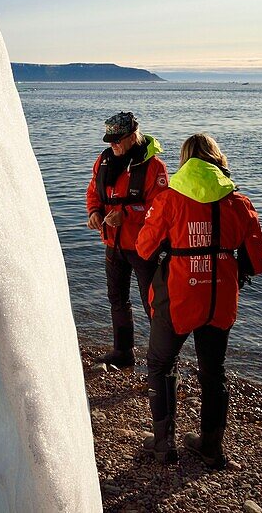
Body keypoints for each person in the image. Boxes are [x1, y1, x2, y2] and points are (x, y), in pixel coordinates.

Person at [135, 133, 262, 467]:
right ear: (217, 159)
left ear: (185, 162)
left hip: (180, 296)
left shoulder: (169, 199)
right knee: (213, 371)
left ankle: (164, 445)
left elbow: (143, 248)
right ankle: (211, 447)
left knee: (161, 364)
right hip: (220, 297)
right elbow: (259, 261)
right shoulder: (238, 202)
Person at [85, 111, 169, 368]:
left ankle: (162, 360)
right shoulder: (104, 161)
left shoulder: (154, 167)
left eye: (118, 140)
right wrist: (94, 213)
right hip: (113, 245)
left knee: (153, 304)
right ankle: (123, 352)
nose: (113, 144)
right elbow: (93, 192)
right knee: (117, 299)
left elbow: (162, 209)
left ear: (133, 137)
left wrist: (127, 215)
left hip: (144, 247)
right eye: (110, 140)